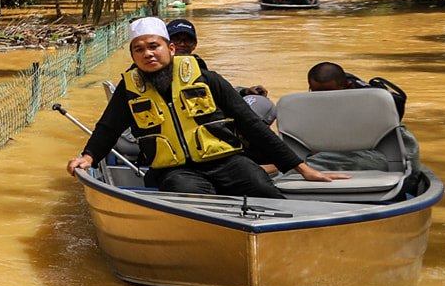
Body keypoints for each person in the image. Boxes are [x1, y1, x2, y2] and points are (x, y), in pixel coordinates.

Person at [67, 18, 339, 195]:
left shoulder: (205, 78)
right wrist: (88, 157)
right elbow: (108, 127)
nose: (147, 53)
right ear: (133, 55)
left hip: (226, 162)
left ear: (170, 48)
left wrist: (301, 168)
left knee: (261, 185)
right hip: (175, 170)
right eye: (138, 49)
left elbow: (250, 123)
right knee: (188, 196)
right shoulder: (129, 88)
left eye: (154, 46)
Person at [307, 60, 408, 118]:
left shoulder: (371, 101)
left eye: (330, 93)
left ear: (349, 88)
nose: (323, 98)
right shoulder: (305, 103)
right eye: (317, 93)